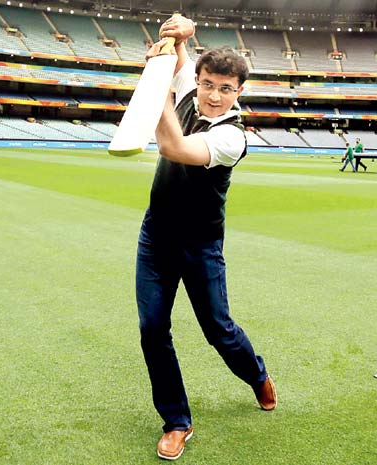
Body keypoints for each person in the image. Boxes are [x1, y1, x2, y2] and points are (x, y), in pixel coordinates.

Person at [136, 15, 276, 461]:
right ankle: (177, 421)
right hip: (156, 238)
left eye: (225, 88)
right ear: (197, 81)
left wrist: (150, 91)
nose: (214, 95)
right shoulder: (187, 95)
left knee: (219, 330)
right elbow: (178, 60)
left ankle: (256, 375)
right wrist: (181, 35)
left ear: (239, 92)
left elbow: (174, 148)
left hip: (199, 246)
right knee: (153, 329)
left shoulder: (232, 135)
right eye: (207, 84)